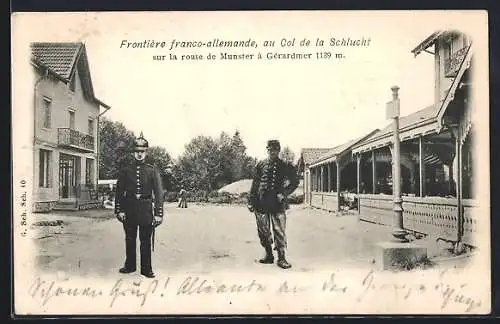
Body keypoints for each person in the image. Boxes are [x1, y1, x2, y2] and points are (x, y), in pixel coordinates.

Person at [114, 132, 164, 278]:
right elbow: (119, 192)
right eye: (137, 152)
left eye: (142, 151)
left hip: (145, 211)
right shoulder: (125, 171)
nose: (139, 154)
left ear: (146, 152)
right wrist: (119, 210)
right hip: (129, 210)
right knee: (129, 239)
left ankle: (146, 269)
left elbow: (159, 193)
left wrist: (158, 213)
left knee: (145, 241)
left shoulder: (152, 170)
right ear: (133, 153)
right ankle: (130, 266)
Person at [247, 139, 299, 269]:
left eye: (275, 150)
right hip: (261, 202)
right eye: (270, 150)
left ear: (278, 150)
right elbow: (255, 184)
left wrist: (284, 193)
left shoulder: (284, 165)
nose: (272, 152)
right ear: (267, 150)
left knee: (279, 231)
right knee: (263, 231)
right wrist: (251, 201)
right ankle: (269, 255)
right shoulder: (260, 165)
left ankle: (281, 258)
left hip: (277, 203)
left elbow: (295, 181)